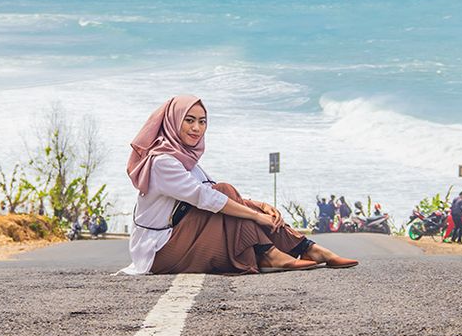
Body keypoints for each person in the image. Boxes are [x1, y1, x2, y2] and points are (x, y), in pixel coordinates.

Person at [120, 95, 358, 275]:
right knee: (224, 192)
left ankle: (305, 248)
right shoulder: (163, 162)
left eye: (202, 122)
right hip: (158, 252)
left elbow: (209, 190)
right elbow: (205, 197)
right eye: (189, 120)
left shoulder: (186, 158)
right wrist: (256, 217)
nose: (196, 128)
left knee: (227, 195)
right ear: (172, 122)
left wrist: (260, 206)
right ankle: (272, 253)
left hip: (178, 238)